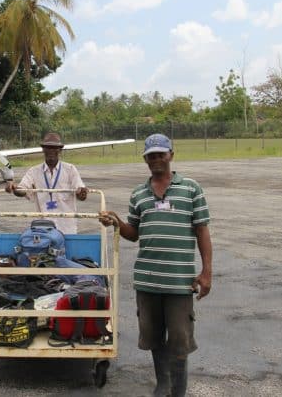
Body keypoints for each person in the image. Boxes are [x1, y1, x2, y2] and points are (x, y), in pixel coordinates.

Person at [99, 133, 212, 397]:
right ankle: (163, 384)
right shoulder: (139, 193)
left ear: (171, 154)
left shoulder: (191, 188)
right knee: (153, 337)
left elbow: (202, 231)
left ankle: (178, 390)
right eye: (151, 155)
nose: (156, 159)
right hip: (147, 281)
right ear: (145, 159)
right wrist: (117, 222)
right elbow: (133, 233)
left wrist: (206, 272)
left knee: (180, 339)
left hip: (179, 282)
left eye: (161, 154)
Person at [5, 132, 88, 235]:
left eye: (54, 148)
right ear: (43, 149)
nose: (51, 151)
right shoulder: (33, 171)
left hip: (67, 228)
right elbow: (23, 190)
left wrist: (82, 193)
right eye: (48, 148)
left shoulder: (70, 170)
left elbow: (80, 192)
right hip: (43, 229)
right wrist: (14, 188)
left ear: (60, 150)